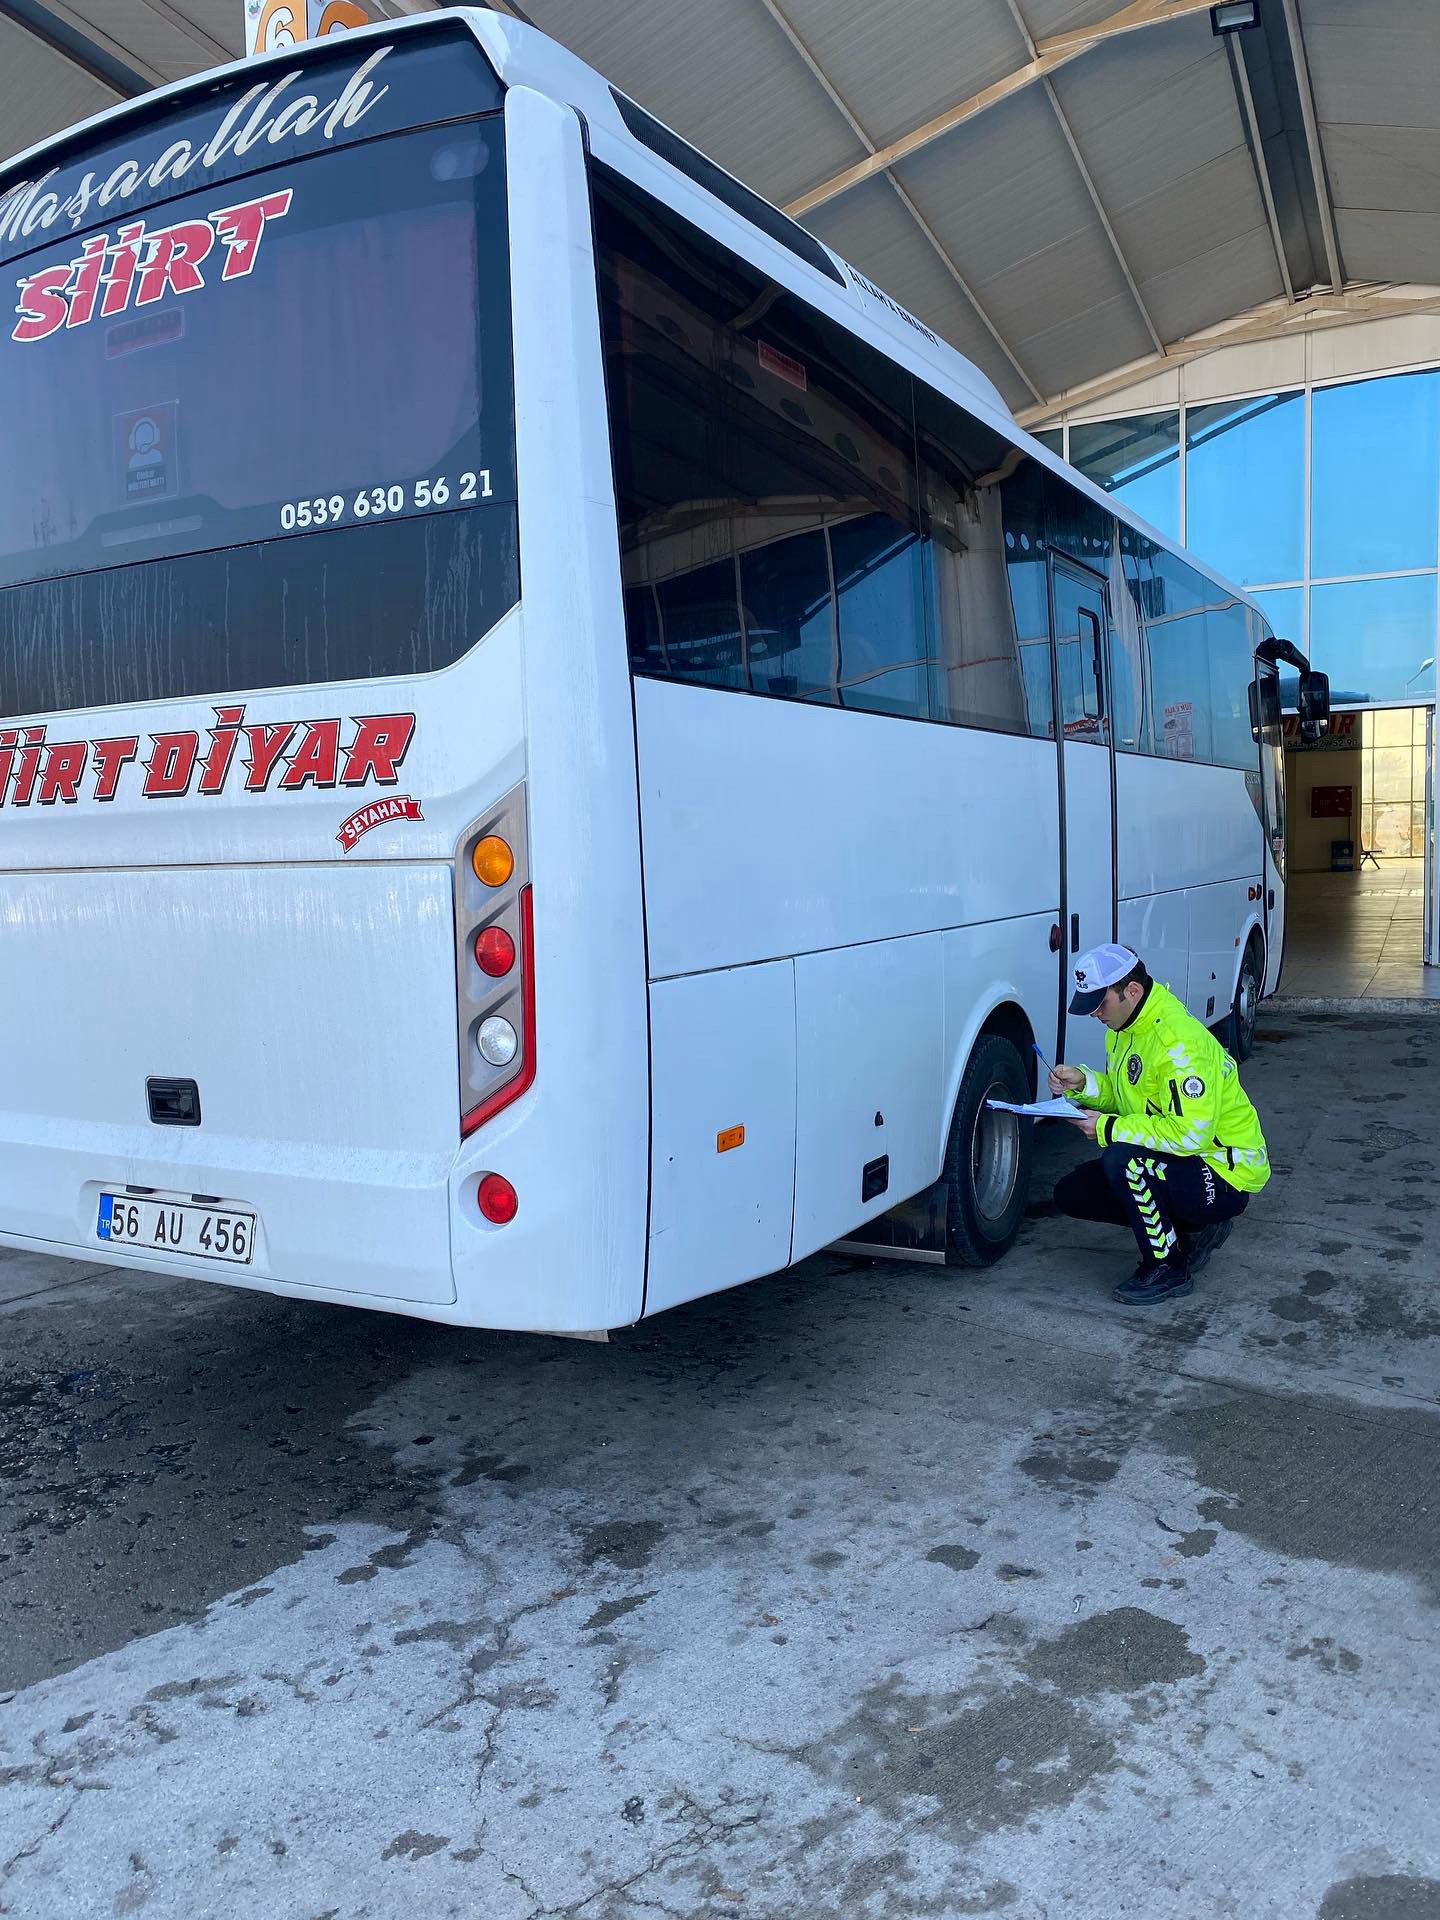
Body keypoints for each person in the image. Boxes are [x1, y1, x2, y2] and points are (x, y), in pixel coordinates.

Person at [1048, 944, 1270, 1306]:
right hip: (1189, 1160)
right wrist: (1084, 1083)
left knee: (1124, 1162)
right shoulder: (1127, 1025)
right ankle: (1192, 1230)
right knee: (1073, 1192)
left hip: (1226, 1172)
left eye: (1100, 1004)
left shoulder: (1178, 1043)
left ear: (1131, 991)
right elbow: (1129, 1097)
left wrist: (1107, 1128)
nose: (1096, 1015)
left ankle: (1167, 1266)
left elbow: (1189, 1133)